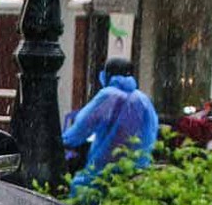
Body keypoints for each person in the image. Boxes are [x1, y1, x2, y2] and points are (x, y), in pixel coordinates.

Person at [62, 57, 159, 196]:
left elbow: (83, 126)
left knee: (81, 199)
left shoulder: (109, 95)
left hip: (104, 170)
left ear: (107, 75)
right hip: (137, 169)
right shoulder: (143, 99)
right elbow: (151, 132)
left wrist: (63, 141)